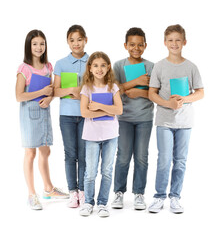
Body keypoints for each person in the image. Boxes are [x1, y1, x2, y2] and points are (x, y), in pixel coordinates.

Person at [148, 24, 204, 214]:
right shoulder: (159, 66)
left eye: (177, 40)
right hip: (164, 121)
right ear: (165, 42)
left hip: (185, 122)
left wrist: (184, 99)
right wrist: (167, 103)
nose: (174, 43)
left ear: (184, 42)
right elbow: (151, 93)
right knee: (164, 160)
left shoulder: (191, 67)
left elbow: (200, 92)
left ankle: (175, 197)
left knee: (180, 160)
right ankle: (159, 197)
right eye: (170, 40)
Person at [16, 30, 69, 210]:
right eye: (35, 44)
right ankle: (32, 194)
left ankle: (48, 188)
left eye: (42, 44)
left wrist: (49, 98)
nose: (39, 47)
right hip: (29, 115)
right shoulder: (24, 68)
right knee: (30, 153)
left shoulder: (48, 66)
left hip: (44, 114)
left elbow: (52, 89)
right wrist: (41, 93)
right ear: (28, 46)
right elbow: (19, 96)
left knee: (45, 151)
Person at [111, 27, 154, 210]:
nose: (136, 48)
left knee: (142, 157)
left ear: (145, 46)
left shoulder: (152, 66)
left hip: (145, 118)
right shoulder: (119, 65)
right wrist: (137, 82)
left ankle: (139, 194)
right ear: (125, 45)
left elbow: (156, 94)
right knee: (123, 156)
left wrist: (138, 93)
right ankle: (119, 193)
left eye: (140, 45)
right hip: (124, 118)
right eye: (132, 44)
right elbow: (115, 90)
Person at [79, 52, 123, 217]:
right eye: (95, 65)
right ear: (90, 68)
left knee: (107, 170)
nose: (99, 69)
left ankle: (102, 203)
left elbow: (119, 110)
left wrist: (96, 106)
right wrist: (107, 110)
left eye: (103, 65)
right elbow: (84, 112)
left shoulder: (113, 87)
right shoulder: (86, 88)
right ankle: (88, 203)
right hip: (91, 136)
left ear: (108, 67)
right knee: (90, 172)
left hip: (111, 135)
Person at [54, 25, 88, 208]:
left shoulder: (92, 61)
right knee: (70, 155)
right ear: (68, 42)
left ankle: (82, 191)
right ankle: (72, 192)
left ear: (86, 40)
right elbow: (56, 91)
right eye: (72, 40)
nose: (76, 43)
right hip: (66, 115)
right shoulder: (61, 63)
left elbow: (97, 87)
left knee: (83, 155)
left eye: (79, 39)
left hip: (85, 114)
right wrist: (72, 90)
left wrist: (82, 93)